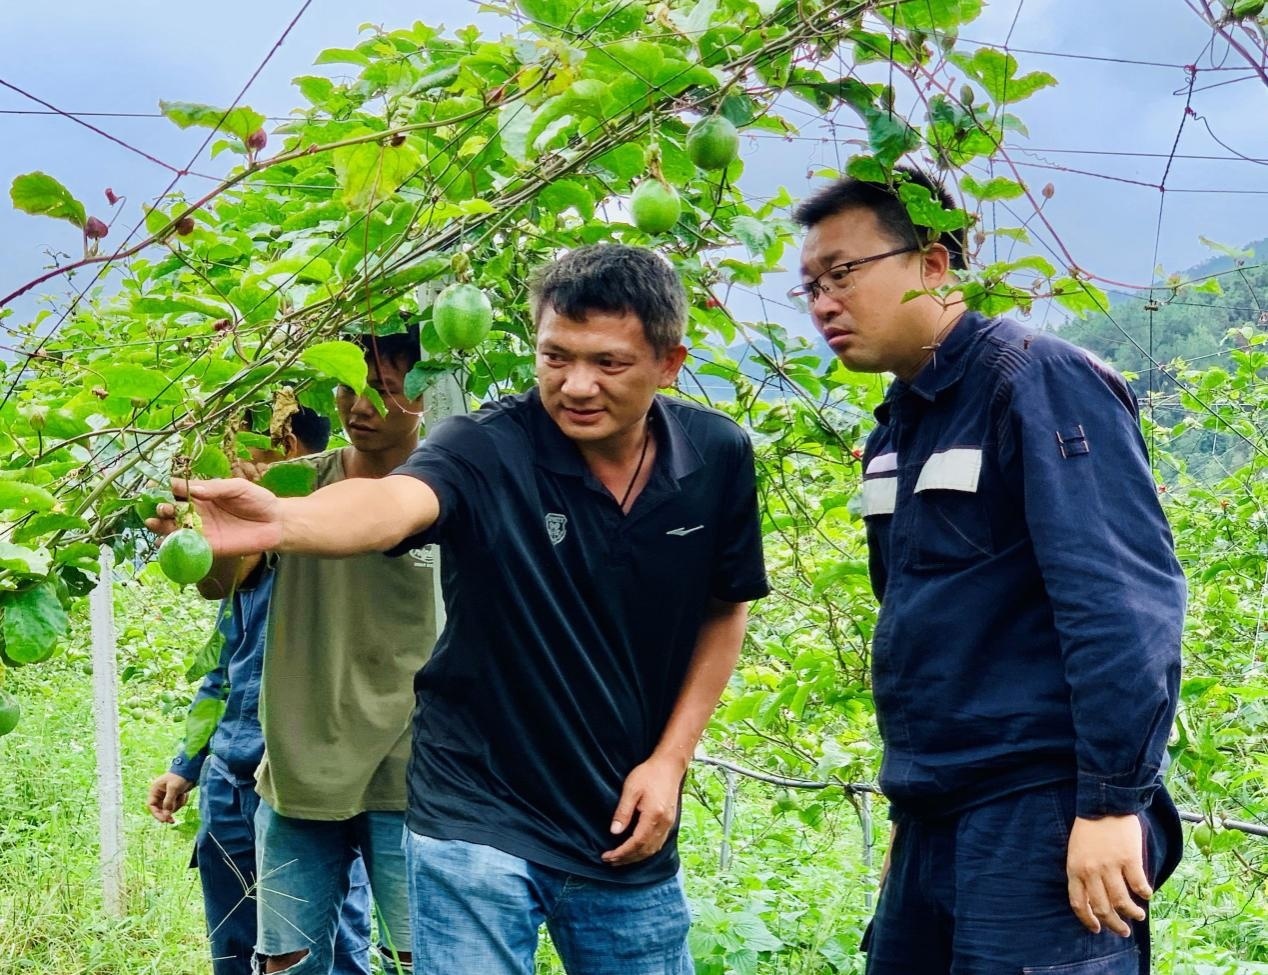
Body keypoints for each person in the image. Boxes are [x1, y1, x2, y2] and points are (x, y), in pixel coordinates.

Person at [149, 243, 769, 974]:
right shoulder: (485, 445)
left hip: (618, 813)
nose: (575, 385)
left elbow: (725, 609)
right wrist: (283, 520)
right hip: (475, 806)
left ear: (669, 362)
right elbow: (392, 501)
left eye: (607, 363)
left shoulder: (716, 453)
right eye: (554, 357)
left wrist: (670, 760)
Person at [789, 166, 1186, 973]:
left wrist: (1112, 804)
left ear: (934, 264)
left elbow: (1121, 603)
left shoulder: (1034, 380)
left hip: (1037, 810)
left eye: (842, 273)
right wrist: (913, 800)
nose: (824, 301)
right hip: (937, 814)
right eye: (810, 285)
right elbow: (921, 617)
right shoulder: (900, 425)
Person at [147, 406, 375, 975]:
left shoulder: (347, 544)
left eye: (247, 451)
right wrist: (189, 762)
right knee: (233, 944)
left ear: (293, 451)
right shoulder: (242, 555)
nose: (235, 470)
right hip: (233, 778)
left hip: (312, 789)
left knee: (322, 950)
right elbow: (226, 660)